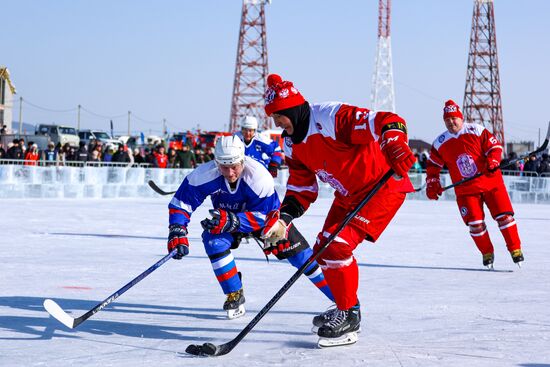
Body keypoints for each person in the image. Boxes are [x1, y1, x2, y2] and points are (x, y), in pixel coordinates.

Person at [260, 74, 415, 346]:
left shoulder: (330, 117)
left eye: (279, 116)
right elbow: (301, 188)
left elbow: (387, 120)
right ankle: (347, 307)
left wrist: (394, 142)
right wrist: (283, 220)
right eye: (274, 118)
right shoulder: (290, 144)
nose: (277, 123)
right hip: (348, 195)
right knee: (323, 247)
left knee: (337, 246)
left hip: (381, 187)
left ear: (293, 109)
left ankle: (348, 314)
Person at [166, 135, 334, 319]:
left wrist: (234, 221)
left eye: (234, 166)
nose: (229, 173)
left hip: (264, 221)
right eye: (224, 166)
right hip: (228, 220)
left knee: (301, 257)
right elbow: (182, 203)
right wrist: (177, 230)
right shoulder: (204, 174)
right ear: (216, 162)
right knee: (212, 240)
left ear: (242, 160)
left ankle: (342, 301)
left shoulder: (258, 177)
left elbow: (267, 216)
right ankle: (234, 293)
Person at [425, 100, 523, 269]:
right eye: (447, 119)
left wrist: (493, 161)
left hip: (491, 183)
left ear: (460, 118)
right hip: (465, 190)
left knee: (504, 218)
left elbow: (495, 147)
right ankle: (487, 252)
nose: (451, 122)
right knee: (475, 224)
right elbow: (433, 166)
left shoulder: (475, 130)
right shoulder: (440, 142)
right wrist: (432, 182)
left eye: (454, 118)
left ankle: (515, 249)